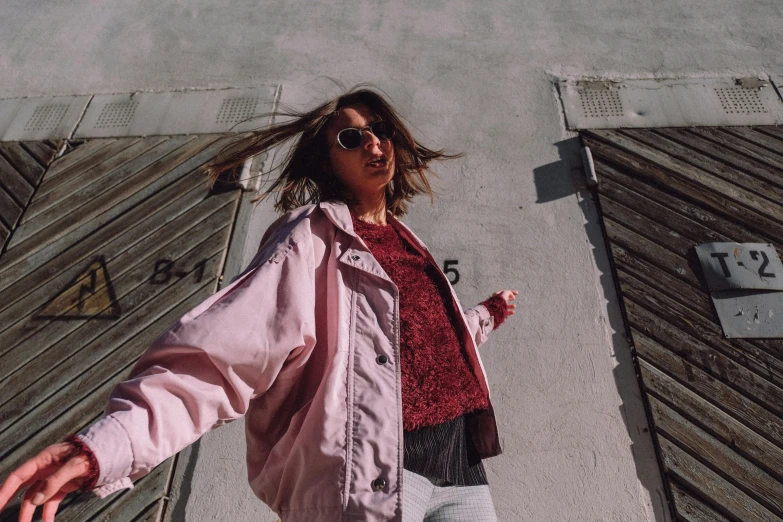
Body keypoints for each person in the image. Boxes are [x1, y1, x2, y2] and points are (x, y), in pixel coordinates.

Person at [0, 87, 518, 522]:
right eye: (351, 137)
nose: (373, 143)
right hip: (383, 472)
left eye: (380, 128)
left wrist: (483, 316)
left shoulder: (408, 242)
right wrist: (109, 445)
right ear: (328, 159)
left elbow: (415, 346)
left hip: (462, 465)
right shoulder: (312, 238)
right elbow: (223, 353)